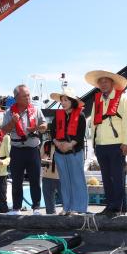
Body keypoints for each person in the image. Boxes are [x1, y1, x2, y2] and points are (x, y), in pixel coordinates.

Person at [85, 69, 127, 217]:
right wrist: (94, 144)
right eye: (101, 82)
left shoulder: (122, 99)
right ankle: (111, 206)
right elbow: (93, 123)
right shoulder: (97, 100)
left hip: (117, 143)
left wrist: (126, 142)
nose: (103, 84)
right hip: (101, 144)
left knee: (117, 177)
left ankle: (118, 208)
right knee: (106, 177)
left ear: (112, 83)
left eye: (106, 81)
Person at [2, 85, 47, 215]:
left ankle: (36, 208)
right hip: (17, 149)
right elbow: (4, 131)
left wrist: (37, 128)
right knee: (16, 180)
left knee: (35, 180)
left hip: (33, 149)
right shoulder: (9, 112)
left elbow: (44, 125)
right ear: (16, 98)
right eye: (24, 96)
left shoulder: (36, 110)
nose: (28, 98)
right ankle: (16, 208)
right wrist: (12, 122)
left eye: (28, 95)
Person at [50, 87, 88, 215]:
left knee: (77, 180)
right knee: (64, 181)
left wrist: (69, 145)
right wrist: (58, 143)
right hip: (60, 153)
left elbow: (80, 134)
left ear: (72, 101)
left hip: (75, 152)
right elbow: (53, 133)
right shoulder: (58, 116)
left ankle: (79, 208)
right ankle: (66, 207)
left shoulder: (81, 115)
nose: (63, 102)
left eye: (66, 100)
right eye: (62, 100)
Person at [41, 139, 62, 214]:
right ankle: (51, 217)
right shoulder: (46, 144)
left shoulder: (65, 144)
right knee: (49, 207)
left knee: (66, 202)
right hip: (47, 176)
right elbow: (40, 158)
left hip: (62, 177)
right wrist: (44, 159)